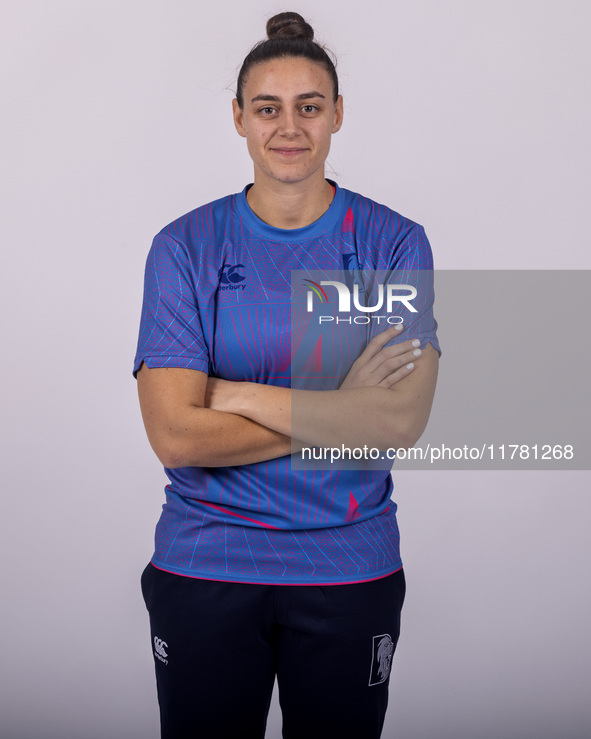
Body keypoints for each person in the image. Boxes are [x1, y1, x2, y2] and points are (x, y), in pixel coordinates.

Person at [134, 11, 439, 739]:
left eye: (308, 107)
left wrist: (235, 394)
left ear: (337, 114)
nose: (288, 126)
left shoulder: (393, 242)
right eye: (267, 108)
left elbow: (398, 421)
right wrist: (340, 409)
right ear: (238, 118)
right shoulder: (184, 247)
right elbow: (176, 435)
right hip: (206, 563)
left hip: (348, 568)